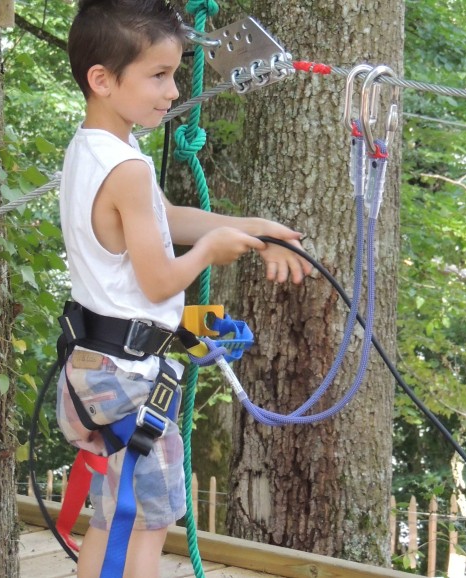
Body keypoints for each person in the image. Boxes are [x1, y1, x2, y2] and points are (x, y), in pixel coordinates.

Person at [55, 0, 312, 576]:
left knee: (116, 518)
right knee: (144, 528)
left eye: (173, 75)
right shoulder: (129, 167)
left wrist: (247, 228)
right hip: (127, 378)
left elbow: (161, 217)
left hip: (94, 367)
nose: (173, 92)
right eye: (158, 76)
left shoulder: (94, 151)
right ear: (102, 79)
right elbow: (159, 280)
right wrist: (210, 252)